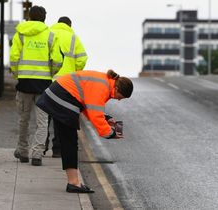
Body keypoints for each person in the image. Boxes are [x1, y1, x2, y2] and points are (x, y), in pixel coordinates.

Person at [36, 70, 133, 193]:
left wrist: (106, 119)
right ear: (118, 88)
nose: (119, 100)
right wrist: (111, 133)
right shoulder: (103, 87)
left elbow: (89, 107)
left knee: (68, 141)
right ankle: (73, 183)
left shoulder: (105, 83)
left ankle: (73, 182)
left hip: (58, 96)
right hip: (62, 98)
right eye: (121, 97)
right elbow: (95, 115)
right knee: (70, 142)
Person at [10, 5, 63, 166]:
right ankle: (37, 154)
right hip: (43, 84)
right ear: (44, 18)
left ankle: (23, 151)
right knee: (42, 121)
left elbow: (13, 57)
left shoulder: (21, 34)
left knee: (23, 119)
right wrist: (51, 73)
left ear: (29, 17)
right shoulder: (51, 36)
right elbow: (58, 60)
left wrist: (17, 73)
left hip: (24, 82)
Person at [45, 16, 88, 158]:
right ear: (70, 25)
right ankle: (57, 149)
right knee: (59, 117)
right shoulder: (73, 38)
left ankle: (42, 147)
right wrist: (74, 71)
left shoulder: (48, 33)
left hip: (48, 79)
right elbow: (82, 59)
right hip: (66, 84)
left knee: (45, 116)